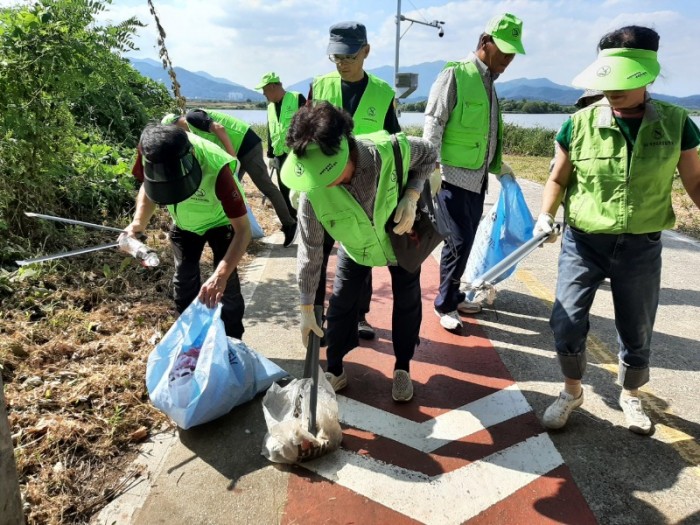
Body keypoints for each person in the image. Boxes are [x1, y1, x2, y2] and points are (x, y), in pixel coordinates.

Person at [535, 25, 700, 435]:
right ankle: (572, 390)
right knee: (567, 320)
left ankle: (631, 394)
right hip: (582, 242)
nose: (612, 91)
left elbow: (696, 182)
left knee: (637, 327)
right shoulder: (578, 124)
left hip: (640, 247)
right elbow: (558, 177)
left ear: (646, 76)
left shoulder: (678, 124)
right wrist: (546, 213)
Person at [281, 102, 437, 402]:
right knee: (340, 306)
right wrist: (305, 306)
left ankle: (403, 367)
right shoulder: (312, 189)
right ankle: (336, 369)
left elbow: (429, 154)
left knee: (407, 301)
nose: (325, 184)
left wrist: (412, 193)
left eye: (330, 174)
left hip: (400, 240)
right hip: (355, 248)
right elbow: (310, 250)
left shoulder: (389, 151)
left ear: (345, 151)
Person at [423, 13, 525, 331]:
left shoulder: (490, 85)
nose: (508, 60)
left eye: (512, 54)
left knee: (466, 242)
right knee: (458, 241)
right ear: (485, 42)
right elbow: (434, 121)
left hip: (477, 179)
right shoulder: (457, 75)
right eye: (504, 52)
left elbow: (487, 133)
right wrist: (430, 167)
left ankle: (453, 296)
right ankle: (444, 305)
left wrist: (497, 167)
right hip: (450, 177)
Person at [308, 21, 402, 341]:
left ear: (366, 51)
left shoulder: (383, 93)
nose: (342, 63)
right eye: (336, 57)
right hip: (325, 186)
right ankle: (318, 315)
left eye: (349, 56)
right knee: (319, 252)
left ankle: (360, 315)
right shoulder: (319, 86)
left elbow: (394, 142)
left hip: (365, 187)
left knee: (363, 250)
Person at [124, 124, 252, 338]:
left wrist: (219, 275)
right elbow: (148, 186)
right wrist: (137, 223)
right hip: (184, 224)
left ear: (190, 154)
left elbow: (243, 231)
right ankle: (189, 338)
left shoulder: (217, 168)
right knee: (184, 282)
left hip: (221, 222)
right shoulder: (151, 151)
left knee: (226, 287)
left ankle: (233, 340)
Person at [162, 109, 297, 247]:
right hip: (236, 150)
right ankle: (236, 233)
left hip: (246, 145)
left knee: (266, 187)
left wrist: (232, 157)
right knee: (228, 190)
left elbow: (219, 128)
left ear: (174, 125)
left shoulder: (192, 117)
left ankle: (290, 224)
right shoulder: (190, 132)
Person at [255, 72, 306, 220]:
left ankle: (304, 219)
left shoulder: (296, 98)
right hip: (280, 154)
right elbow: (271, 130)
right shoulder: (270, 106)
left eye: (265, 91)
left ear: (272, 86)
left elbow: (308, 123)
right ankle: (292, 220)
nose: (264, 94)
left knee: (298, 189)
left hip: (296, 154)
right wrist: (270, 155)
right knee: (284, 188)